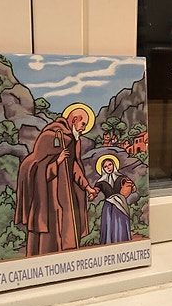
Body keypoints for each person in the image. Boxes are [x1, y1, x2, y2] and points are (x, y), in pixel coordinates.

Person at [15, 103, 98, 256]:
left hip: (66, 194)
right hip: (49, 196)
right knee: (50, 234)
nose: (83, 128)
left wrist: (87, 187)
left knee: (68, 229)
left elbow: (74, 167)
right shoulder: (49, 135)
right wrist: (57, 162)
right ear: (74, 119)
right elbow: (37, 168)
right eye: (83, 124)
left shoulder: (73, 139)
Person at [94, 155, 136, 244]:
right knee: (110, 224)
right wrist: (92, 194)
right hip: (109, 206)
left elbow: (133, 187)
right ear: (103, 169)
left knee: (120, 222)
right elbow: (95, 191)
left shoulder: (122, 177)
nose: (108, 167)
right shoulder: (100, 182)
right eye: (105, 166)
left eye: (110, 164)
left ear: (114, 165)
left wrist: (131, 187)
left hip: (121, 204)